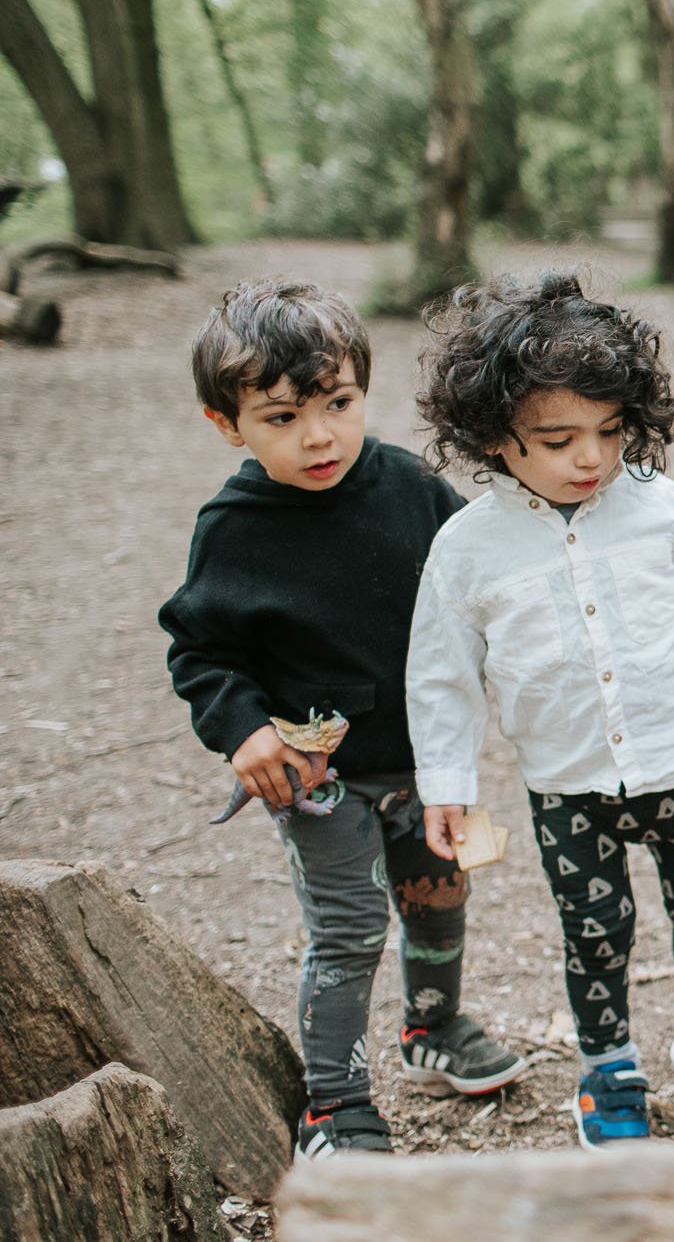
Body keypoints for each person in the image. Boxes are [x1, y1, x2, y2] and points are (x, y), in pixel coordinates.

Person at [406, 271, 674, 1148]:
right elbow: (442, 673)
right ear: (495, 438)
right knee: (597, 931)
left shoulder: (657, 505)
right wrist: (444, 782)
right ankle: (608, 1061)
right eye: (560, 438)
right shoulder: (466, 551)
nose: (591, 458)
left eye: (609, 431)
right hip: (568, 782)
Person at [159, 278, 526, 1161]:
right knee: (350, 929)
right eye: (281, 417)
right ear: (227, 423)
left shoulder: (407, 484)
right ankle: (336, 1103)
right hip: (319, 777)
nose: (319, 434)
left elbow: (477, 582)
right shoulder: (236, 527)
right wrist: (243, 727)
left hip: (428, 761)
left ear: (363, 388)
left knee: (440, 899)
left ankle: (433, 1028)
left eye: (337, 403)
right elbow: (199, 649)